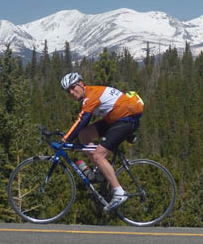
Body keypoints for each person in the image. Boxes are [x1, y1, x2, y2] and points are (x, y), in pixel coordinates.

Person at [60, 72, 144, 211]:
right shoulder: (89, 95)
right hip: (115, 118)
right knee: (84, 134)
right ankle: (99, 172)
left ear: (81, 84)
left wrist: (65, 140)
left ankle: (119, 192)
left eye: (73, 87)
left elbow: (82, 120)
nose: (71, 92)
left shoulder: (90, 96)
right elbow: (82, 127)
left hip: (126, 119)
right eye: (68, 91)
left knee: (99, 155)